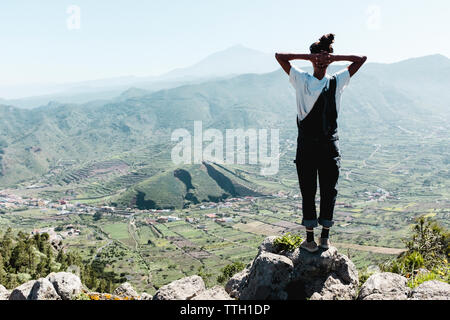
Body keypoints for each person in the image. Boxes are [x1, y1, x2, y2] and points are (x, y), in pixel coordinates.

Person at [275, 34, 367, 252]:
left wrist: (331, 58)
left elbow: (361, 59)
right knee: (311, 190)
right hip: (316, 145)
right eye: (317, 57)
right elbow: (279, 56)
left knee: (326, 190)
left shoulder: (336, 80)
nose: (320, 61)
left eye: (324, 58)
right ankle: (311, 239)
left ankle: (323, 237)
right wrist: (310, 57)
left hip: (319, 145)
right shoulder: (302, 79)